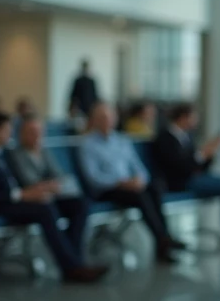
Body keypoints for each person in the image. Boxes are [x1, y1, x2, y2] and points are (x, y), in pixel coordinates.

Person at [0, 112, 107, 284]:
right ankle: (72, 268)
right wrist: (22, 194)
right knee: (45, 209)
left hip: (14, 201)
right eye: (6, 130)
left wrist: (32, 193)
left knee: (78, 205)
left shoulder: (3, 154)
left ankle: (76, 262)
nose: (10, 135)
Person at [78, 103, 185, 264]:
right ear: (94, 120)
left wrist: (139, 179)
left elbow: (139, 168)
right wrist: (121, 183)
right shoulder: (87, 144)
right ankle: (162, 239)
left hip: (130, 186)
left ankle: (164, 238)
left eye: (109, 117)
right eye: (102, 118)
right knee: (140, 195)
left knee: (154, 188)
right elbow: (93, 178)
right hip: (108, 189)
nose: (107, 121)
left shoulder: (122, 140)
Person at [151, 103, 220, 248]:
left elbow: (197, 164)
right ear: (183, 118)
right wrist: (201, 155)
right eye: (193, 117)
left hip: (196, 176)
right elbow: (179, 167)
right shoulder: (165, 138)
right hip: (181, 181)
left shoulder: (185, 136)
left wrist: (208, 155)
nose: (196, 121)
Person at [6, 113, 93, 247]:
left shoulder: (44, 152)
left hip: (52, 197)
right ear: (21, 134)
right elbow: (30, 182)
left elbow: (59, 176)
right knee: (48, 211)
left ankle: (74, 250)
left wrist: (50, 186)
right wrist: (51, 185)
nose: (37, 135)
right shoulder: (15, 155)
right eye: (32, 132)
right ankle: (68, 255)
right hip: (34, 201)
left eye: (39, 132)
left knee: (80, 204)